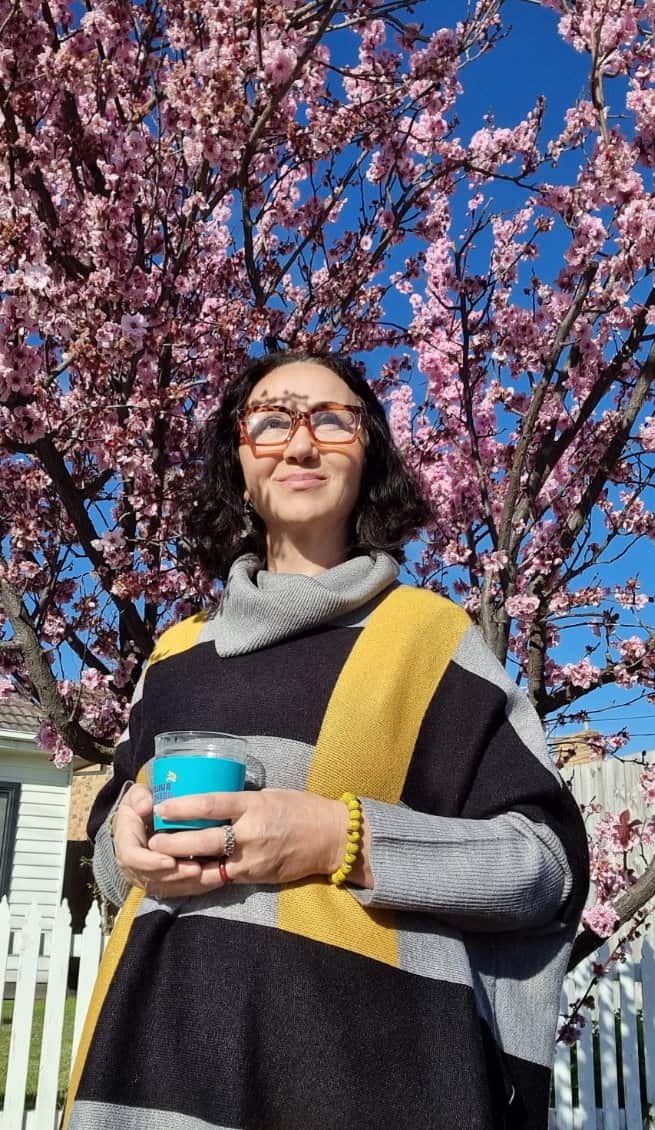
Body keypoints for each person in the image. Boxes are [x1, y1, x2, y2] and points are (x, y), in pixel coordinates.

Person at [63, 350, 589, 1130]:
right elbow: (113, 859)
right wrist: (128, 848)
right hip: (150, 1075)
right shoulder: (174, 656)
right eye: (271, 421)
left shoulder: (429, 641)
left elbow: (543, 866)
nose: (300, 444)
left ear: (367, 456)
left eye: (331, 421)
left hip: (364, 1080)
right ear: (240, 464)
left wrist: (340, 838)